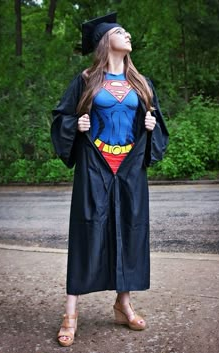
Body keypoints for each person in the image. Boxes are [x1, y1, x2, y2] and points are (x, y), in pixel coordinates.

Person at [51, 12, 169, 347]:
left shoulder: (141, 83)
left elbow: (157, 124)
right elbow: (61, 117)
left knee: (129, 231)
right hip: (95, 165)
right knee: (87, 231)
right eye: (120, 31)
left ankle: (123, 303)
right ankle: (71, 312)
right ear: (106, 41)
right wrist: (76, 126)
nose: (128, 34)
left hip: (129, 169)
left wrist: (150, 128)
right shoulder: (87, 79)